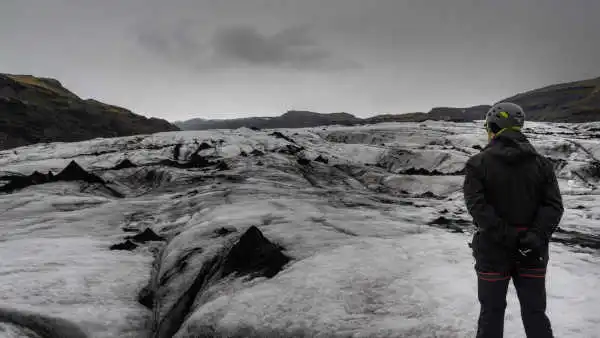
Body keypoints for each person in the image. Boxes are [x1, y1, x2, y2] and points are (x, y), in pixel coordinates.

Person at [463, 102, 564, 338]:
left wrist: (509, 237)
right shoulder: (542, 164)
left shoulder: (478, 163)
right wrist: (533, 237)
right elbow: (553, 206)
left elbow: (478, 208)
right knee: (535, 313)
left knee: (492, 313)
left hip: (493, 250)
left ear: (494, 127)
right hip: (533, 252)